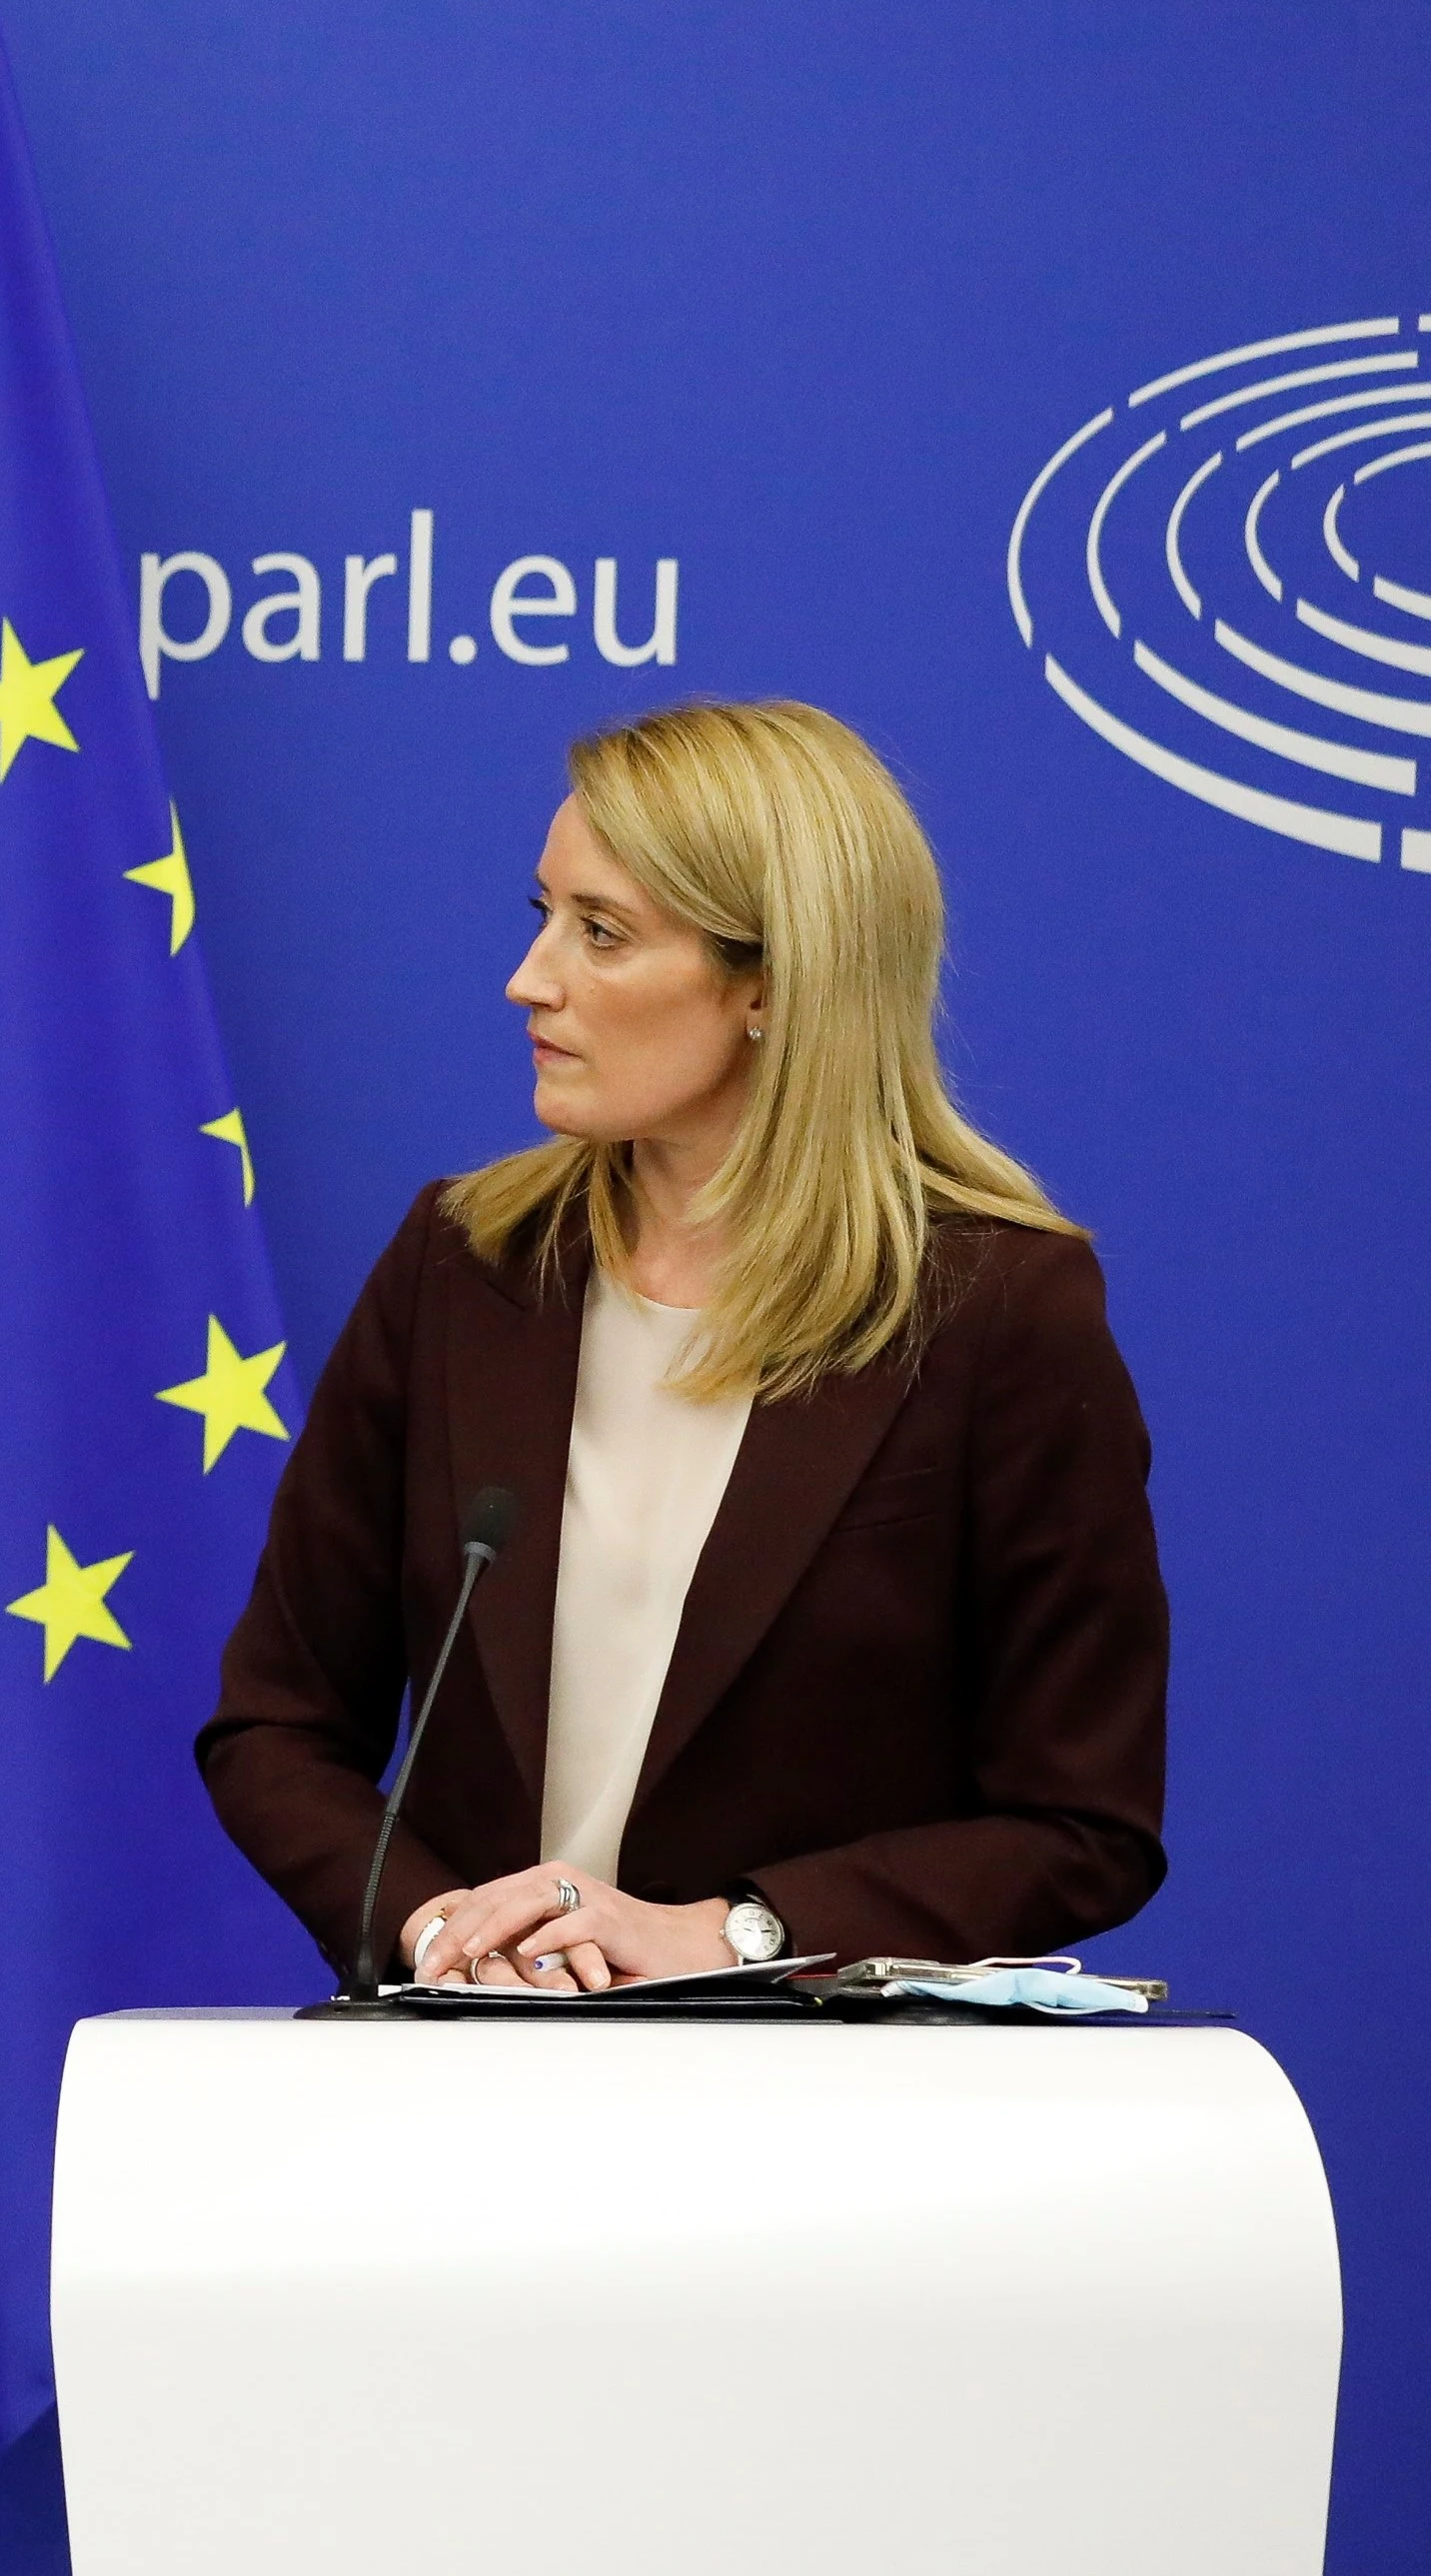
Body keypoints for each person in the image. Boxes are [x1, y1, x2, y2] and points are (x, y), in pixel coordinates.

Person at [199, 698, 1161, 1991]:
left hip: (827, 2118)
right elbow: (276, 1725)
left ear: (771, 985)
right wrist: (443, 1933)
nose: (531, 979)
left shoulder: (999, 1313)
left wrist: (729, 1934)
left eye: (600, 934)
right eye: (540, 915)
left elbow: (1082, 1824)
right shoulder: (463, 1264)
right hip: (479, 2093)